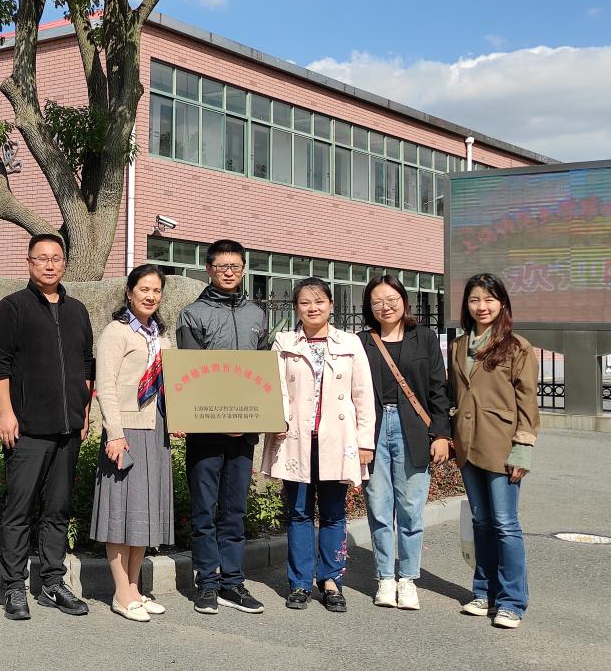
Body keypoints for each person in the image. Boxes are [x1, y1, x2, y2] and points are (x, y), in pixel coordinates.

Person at [0, 233, 94, 620]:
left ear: (64, 263)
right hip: (28, 429)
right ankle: (14, 586)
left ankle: (52, 582)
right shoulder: (13, 307)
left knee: (57, 510)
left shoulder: (77, 310)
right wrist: (6, 413)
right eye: (41, 258)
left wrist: (83, 411)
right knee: (19, 511)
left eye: (56, 258)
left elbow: (86, 364)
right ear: (29, 262)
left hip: (68, 429)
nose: (49, 265)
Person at [262, 277, 375, 613]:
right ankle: (299, 582)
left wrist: (365, 442)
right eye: (305, 303)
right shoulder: (284, 342)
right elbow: (275, 388)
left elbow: (362, 395)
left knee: (333, 513)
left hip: (337, 441)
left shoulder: (350, 343)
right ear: (296, 308)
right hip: (294, 438)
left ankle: (330, 580)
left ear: (331, 305)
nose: (312, 308)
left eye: (319, 301)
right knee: (298, 513)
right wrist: (277, 420)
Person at [175, 240, 269, 615]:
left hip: (245, 431)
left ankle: (232, 582)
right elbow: (192, 375)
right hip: (206, 430)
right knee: (204, 511)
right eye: (222, 266)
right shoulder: (192, 314)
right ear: (209, 269)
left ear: (243, 269)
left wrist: (249, 418)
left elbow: (263, 372)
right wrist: (222, 418)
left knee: (234, 511)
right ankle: (207, 584)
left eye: (236, 266)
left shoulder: (256, 314)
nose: (229, 272)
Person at [449, 273, 538, 630]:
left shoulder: (517, 347)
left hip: (502, 446)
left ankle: (512, 602)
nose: (481, 306)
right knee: (482, 522)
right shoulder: (458, 345)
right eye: (474, 300)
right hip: (468, 445)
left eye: (488, 299)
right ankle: (483, 592)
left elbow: (527, 403)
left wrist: (523, 449)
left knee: (505, 524)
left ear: (502, 304)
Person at [358, 275, 451, 610]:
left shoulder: (424, 337)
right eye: (377, 301)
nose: (385, 306)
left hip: (413, 428)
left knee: (411, 509)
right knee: (379, 507)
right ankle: (385, 577)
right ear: (369, 307)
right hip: (374, 429)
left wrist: (441, 434)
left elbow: (438, 389)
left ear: (404, 300)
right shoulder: (361, 342)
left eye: (391, 299)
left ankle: (408, 578)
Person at [91, 264, 177, 622]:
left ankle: (135, 587)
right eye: (144, 289)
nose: (150, 296)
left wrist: (179, 419)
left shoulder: (162, 336)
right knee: (120, 512)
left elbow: (173, 384)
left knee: (144, 512)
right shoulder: (117, 332)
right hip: (126, 430)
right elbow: (106, 386)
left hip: (155, 430)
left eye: (156, 290)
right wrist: (114, 432)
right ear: (129, 292)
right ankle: (120, 592)